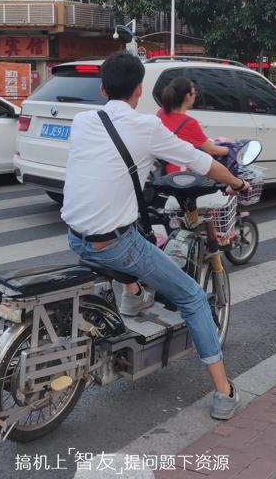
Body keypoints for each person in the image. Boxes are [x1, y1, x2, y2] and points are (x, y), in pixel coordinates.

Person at [61, 51, 250, 420]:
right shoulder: (146, 127)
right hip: (114, 245)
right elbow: (203, 162)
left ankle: (132, 300)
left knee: (139, 238)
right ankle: (224, 392)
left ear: (102, 88)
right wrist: (237, 181)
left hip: (75, 236)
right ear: (139, 89)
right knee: (193, 296)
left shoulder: (83, 120)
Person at [156, 77, 229, 173]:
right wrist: (231, 149)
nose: (195, 96)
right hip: (181, 174)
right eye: (194, 93)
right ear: (187, 97)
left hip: (162, 172)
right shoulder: (189, 123)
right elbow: (212, 150)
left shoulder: (161, 113)